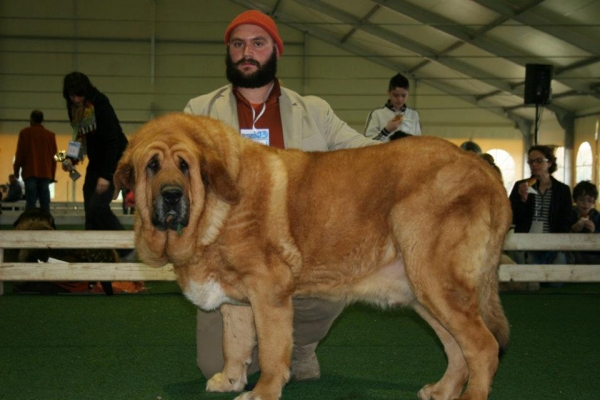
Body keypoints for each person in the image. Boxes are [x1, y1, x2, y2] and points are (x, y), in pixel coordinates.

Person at [184, 9, 378, 383]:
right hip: (226, 256)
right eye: (238, 44)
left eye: (258, 43)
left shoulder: (315, 111)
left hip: (298, 246)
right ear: (228, 52)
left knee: (334, 283)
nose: (247, 52)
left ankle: (298, 348)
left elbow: (365, 155)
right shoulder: (199, 111)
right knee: (212, 367)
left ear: (276, 49)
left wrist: (414, 155)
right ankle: (260, 349)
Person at [62, 72, 128, 232]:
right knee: (89, 208)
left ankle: (125, 248)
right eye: (72, 96)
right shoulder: (74, 109)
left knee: (98, 206)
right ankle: (91, 250)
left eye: (79, 95)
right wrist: (71, 158)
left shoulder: (101, 104)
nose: (76, 100)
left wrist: (106, 176)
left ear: (86, 91)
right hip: (96, 161)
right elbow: (78, 135)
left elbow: (113, 141)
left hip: (115, 158)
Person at [509, 145, 572, 277]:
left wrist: (558, 244)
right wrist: (522, 200)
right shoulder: (520, 186)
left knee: (556, 282)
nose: (534, 165)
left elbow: (566, 219)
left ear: (549, 162)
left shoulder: (562, 190)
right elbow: (512, 217)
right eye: (530, 162)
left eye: (538, 160)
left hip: (552, 243)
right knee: (528, 277)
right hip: (527, 241)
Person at [13, 110, 58, 211]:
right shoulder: (51, 135)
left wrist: (16, 172)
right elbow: (55, 156)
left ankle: (31, 223)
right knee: (45, 201)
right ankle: (46, 222)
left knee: (31, 202)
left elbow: (19, 154)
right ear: (42, 120)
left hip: (30, 172)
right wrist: (52, 175)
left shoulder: (24, 133)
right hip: (46, 173)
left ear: (31, 119)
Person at [364, 73, 421, 142]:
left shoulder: (413, 114)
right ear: (389, 93)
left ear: (408, 93)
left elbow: (419, 142)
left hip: (407, 152)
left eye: (403, 95)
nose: (400, 99)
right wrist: (386, 130)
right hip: (385, 152)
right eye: (396, 95)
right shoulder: (376, 114)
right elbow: (367, 143)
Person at [570, 181, 600, 264]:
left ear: (594, 202)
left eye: (590, 201)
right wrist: (574, 229)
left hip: (593, 253)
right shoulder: (570, 214)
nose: (585, 204)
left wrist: (594, 232)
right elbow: (562, 233)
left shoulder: (597, 217)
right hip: (574, 252)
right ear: (575, 200)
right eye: (581, 200)